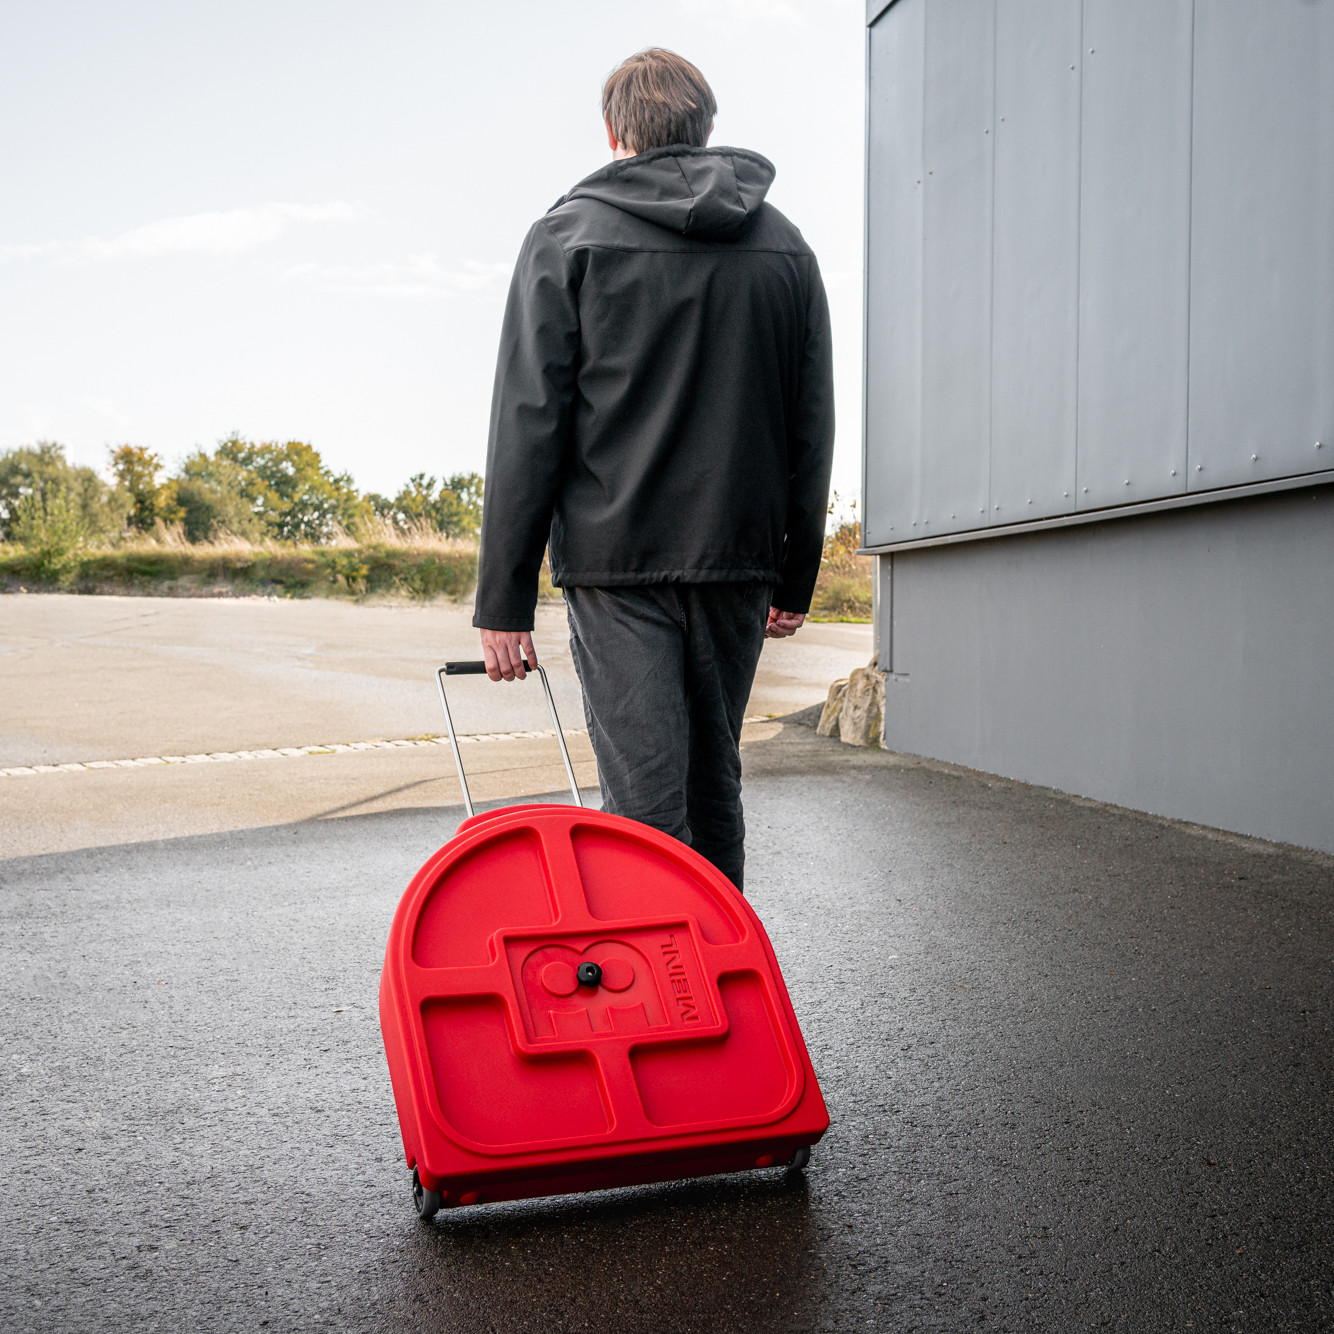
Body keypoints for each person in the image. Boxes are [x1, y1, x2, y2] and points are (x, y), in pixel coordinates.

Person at [472, 47, 834, 891]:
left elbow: (528, 422)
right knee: (714, 788)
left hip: (616, 566)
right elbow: (810, 424)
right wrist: (796, 573)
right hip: (738, 560)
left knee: (643, 807)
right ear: (705, 126)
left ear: (615, 132)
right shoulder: (785, 247)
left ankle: (665, 973)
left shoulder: (567, 237)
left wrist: (504, 599)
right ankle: (721, 969)